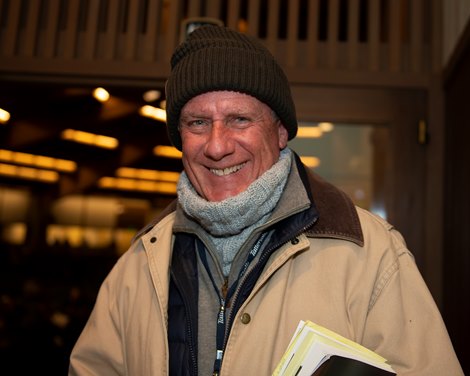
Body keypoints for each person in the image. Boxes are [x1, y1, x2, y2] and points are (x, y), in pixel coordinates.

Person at [69, 25, 463, 375]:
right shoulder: (140, 264)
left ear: (279, 133)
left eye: (240, 119)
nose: (217, 146)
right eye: (197, 123)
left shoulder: (371, 254)